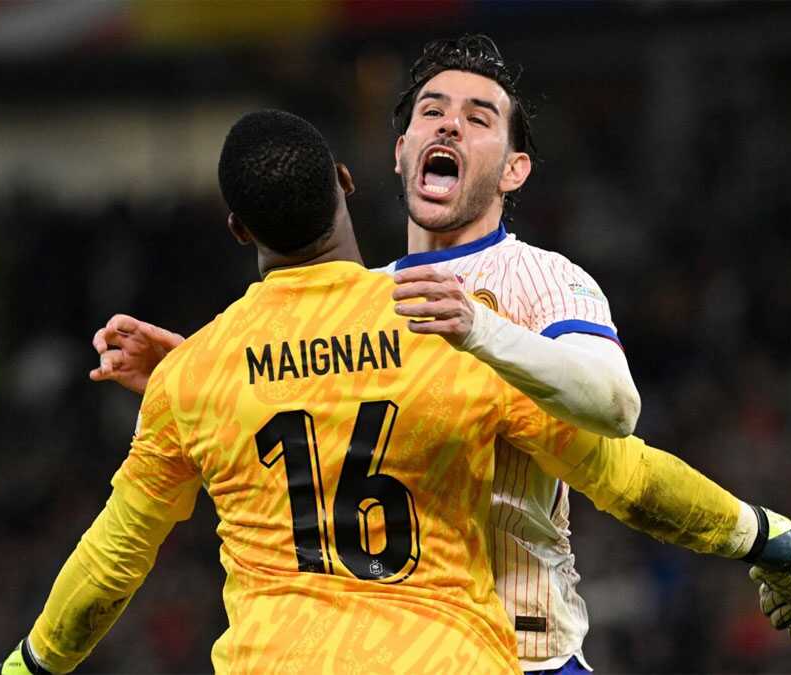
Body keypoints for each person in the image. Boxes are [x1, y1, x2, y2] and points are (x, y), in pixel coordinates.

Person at [0, 111, 791, 675]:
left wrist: (24, 668)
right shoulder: (451, 328)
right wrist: (768, 536)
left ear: (238, 228)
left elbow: (116, 557)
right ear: (345, 181)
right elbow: (623, 479)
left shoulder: (197, 375)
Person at [91, 35, 629, 672]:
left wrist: (481, 331)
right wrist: (194, 371)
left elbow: (615, 404)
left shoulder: (545, 279)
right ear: (400, 153)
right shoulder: (367, 301)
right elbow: (317, 424)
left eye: (478, 118)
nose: (450, 124)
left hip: (531, 652)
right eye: (433, 111)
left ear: (513, 171)